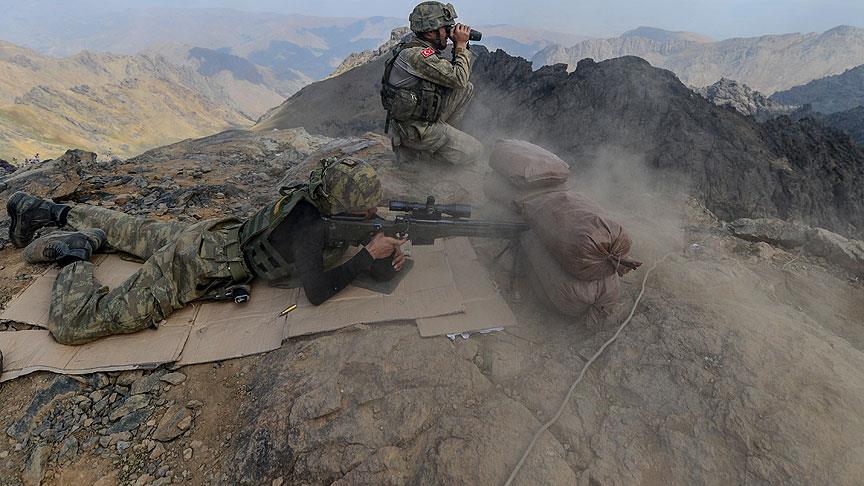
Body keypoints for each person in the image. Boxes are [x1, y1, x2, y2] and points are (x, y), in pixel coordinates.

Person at [5, 157, 406, 346]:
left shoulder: (317, 199)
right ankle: (76, 253)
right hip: (198, 263)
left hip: (214, 234)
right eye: (365, 209)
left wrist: (380, 256)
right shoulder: (310, 227)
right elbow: (317, 292)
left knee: (129, 229)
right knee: (76, 324)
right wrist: (368, 257)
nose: (373, 214)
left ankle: (43, 209)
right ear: (340, 205)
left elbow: (353, 247)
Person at [381, 1, 483, 166]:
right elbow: (459, 78)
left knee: (466, 89)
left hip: (418, 120)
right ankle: (423, 159)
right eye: (446, 28)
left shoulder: (419, 50)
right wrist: (461, 46)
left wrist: (462, 46)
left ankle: (441, 141)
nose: (450, 32)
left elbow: (457, 82)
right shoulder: (418, 56)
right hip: (415, 131)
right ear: (429, 33)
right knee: (476, 151)